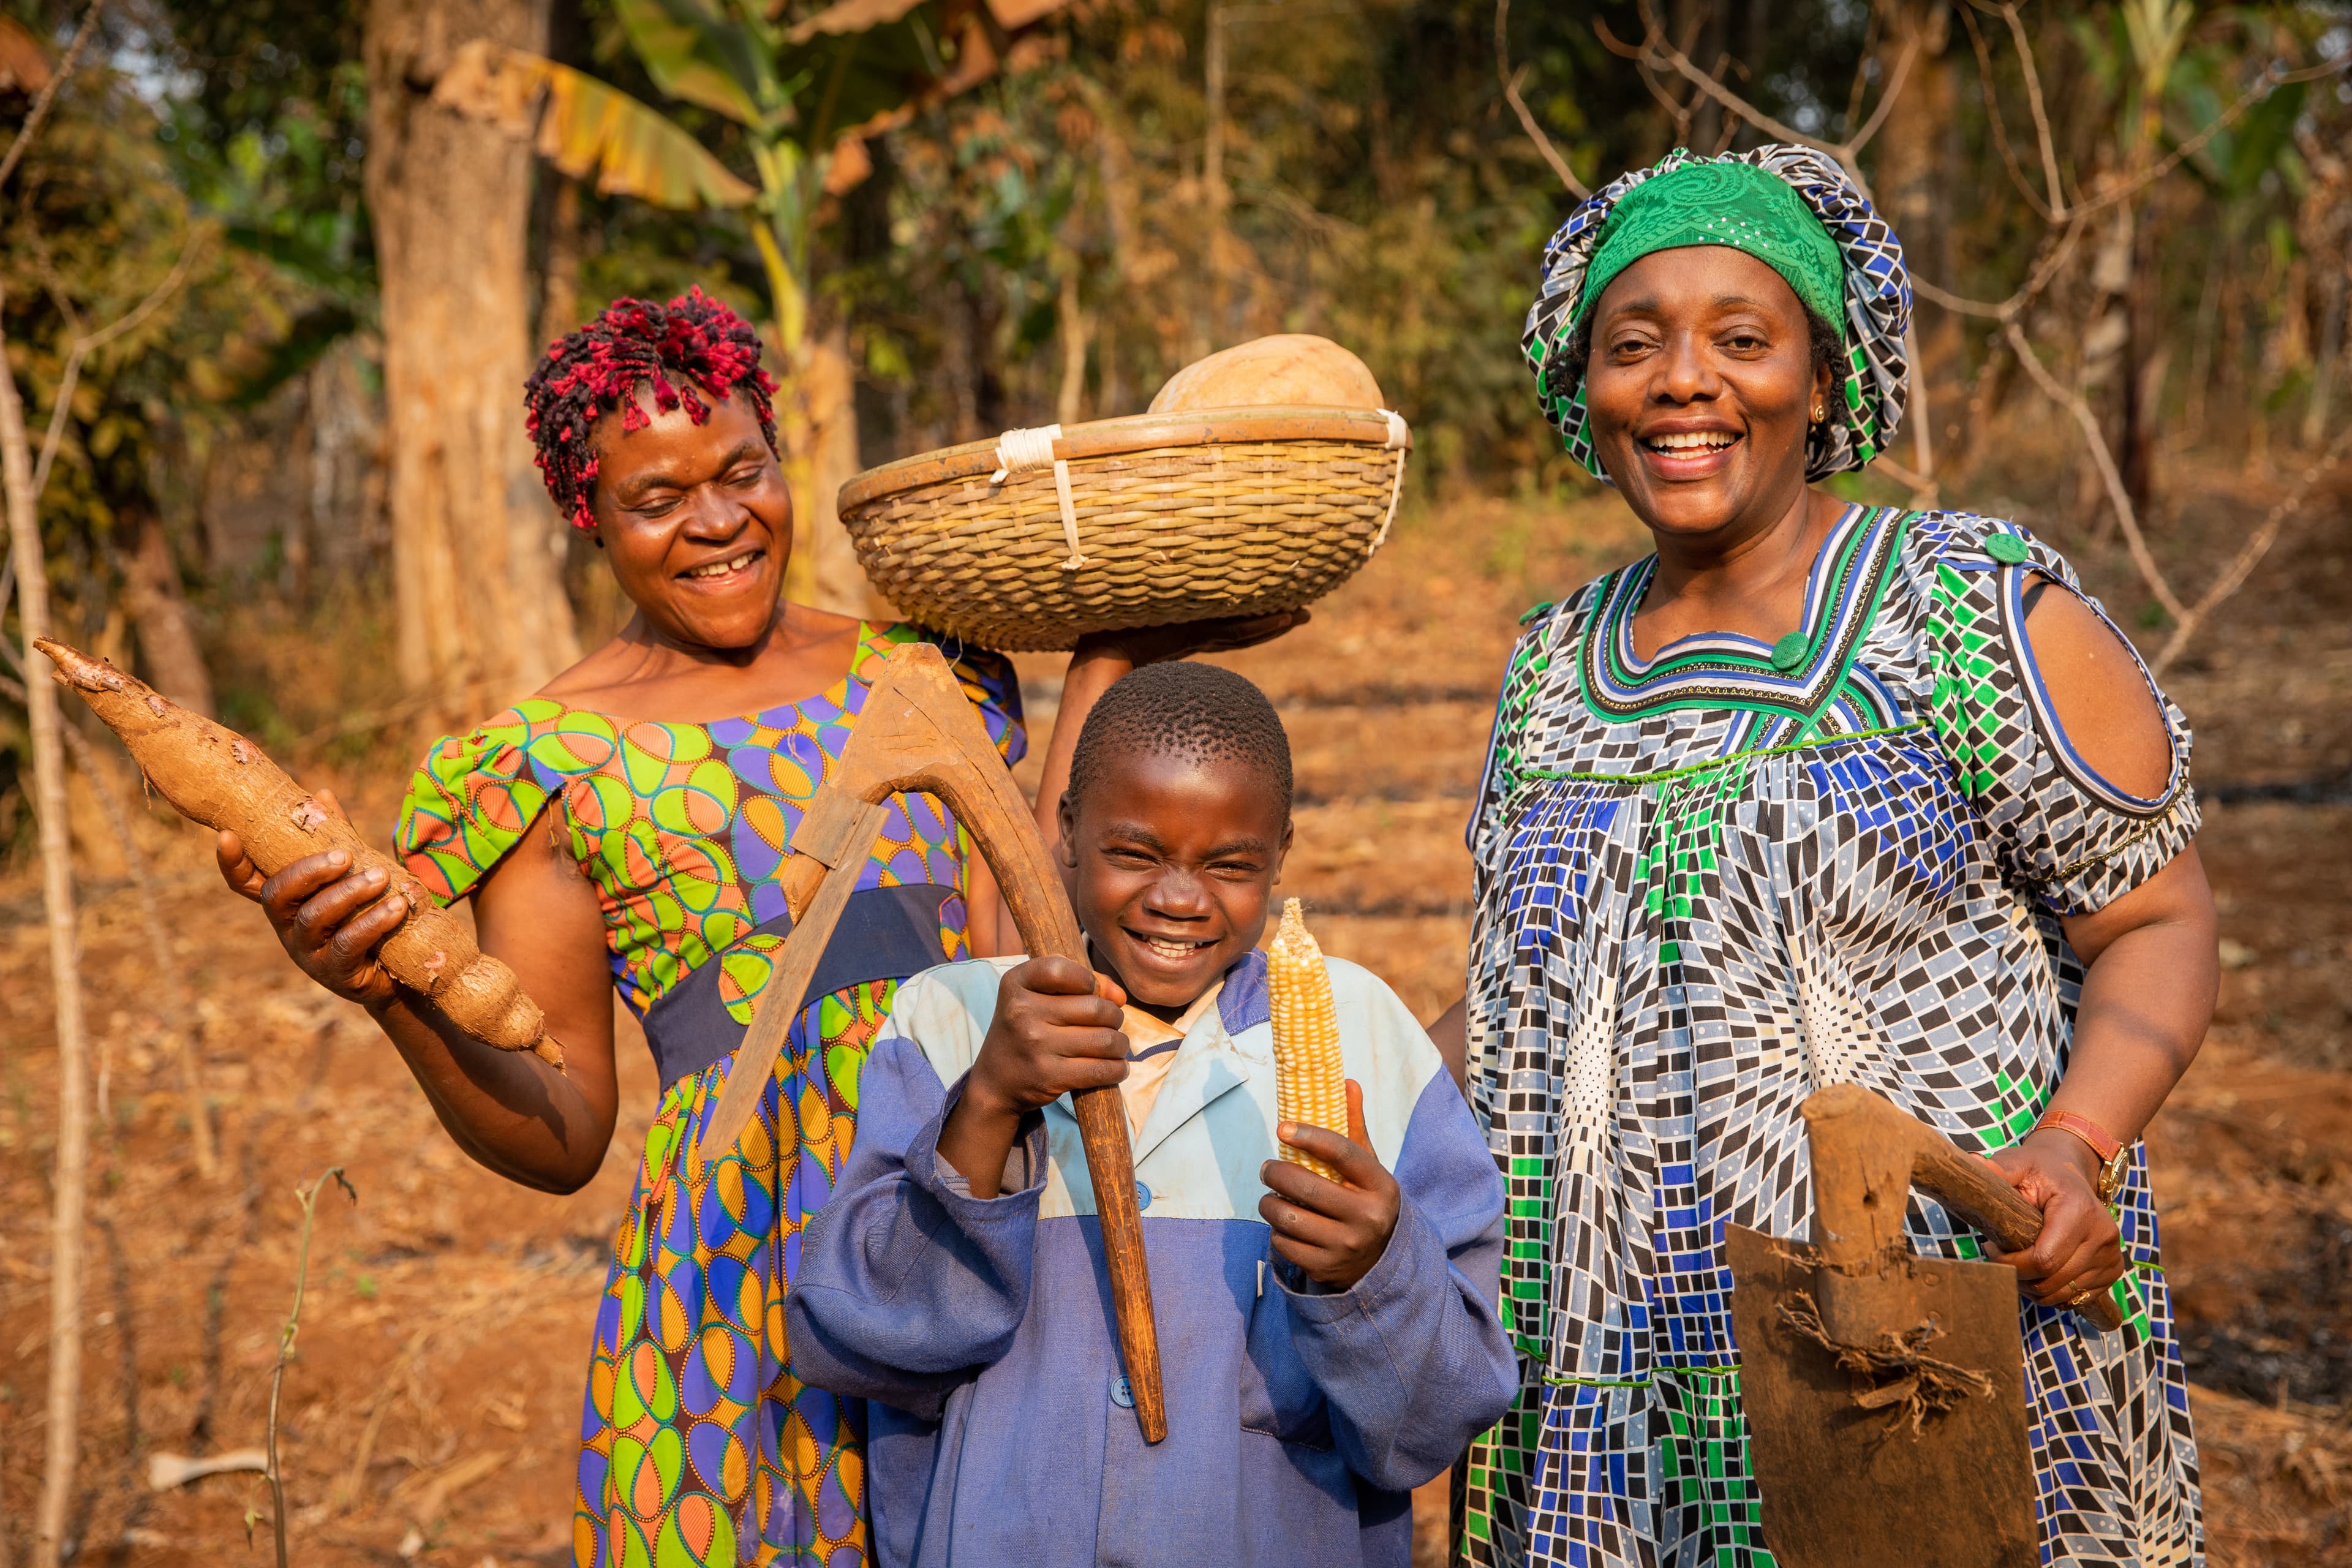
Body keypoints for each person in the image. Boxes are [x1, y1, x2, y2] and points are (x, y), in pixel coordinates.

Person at [213, 289, 1299, 1567]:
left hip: (967, 1201)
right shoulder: (551, 761)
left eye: (744, 470)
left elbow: (1031, 927)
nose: (720, 520)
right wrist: (383, 990)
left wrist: (1117, 639)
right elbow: (562, 1135)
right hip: (738, 1267)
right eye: (656, 498)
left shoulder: (927, 670)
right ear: (590, 519)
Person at [1429, 148, 2217, 1566]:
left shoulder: (1971, 617)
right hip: (1613, 1376)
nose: (1682, 380)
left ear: (1822, 374)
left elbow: (2154, 920)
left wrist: (2076, 1144)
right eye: (1634, 344)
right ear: (1580, 385)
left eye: (1742, 337)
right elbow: (1521, 1003)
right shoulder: (1548, 668)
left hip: (1920, 1340)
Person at [783, 661, 1518, 1568]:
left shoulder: (1366, 1037)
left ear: (1281, 853)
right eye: (1135, 853)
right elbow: (854, 1343)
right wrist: (986, 1104)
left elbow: (1429, 1426)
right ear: (1066, 833)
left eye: (1231, 865)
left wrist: (1373, 1272)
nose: (1178, 897)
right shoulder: (951, 1023)